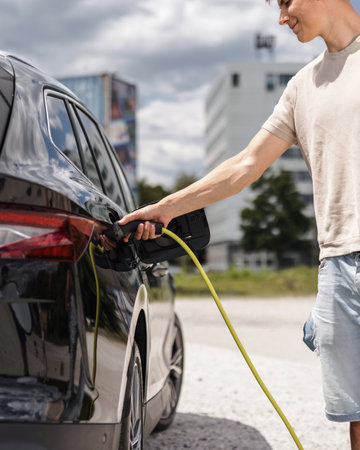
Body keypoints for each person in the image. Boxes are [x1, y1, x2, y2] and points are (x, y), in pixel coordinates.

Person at [107, 1, 360, 447]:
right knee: (357, 413)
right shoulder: (303, 87)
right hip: (337, 266)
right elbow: (244, 165)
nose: (281, 18)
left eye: (285, 1)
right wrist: (165, 207)